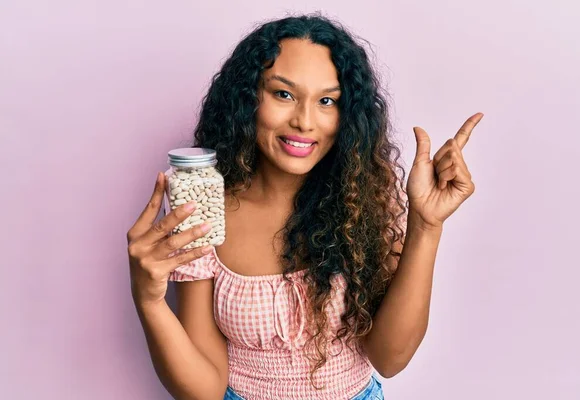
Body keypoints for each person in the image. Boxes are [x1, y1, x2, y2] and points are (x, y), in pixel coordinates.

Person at [126, 13, 483, 400]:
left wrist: (426, 226)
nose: (305, 121)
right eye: (283, 94)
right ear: (246, 98)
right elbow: (204, 391)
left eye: (327, 101)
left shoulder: (367, 200)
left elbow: (390, 358)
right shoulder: (204, 209)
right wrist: (148, 299)